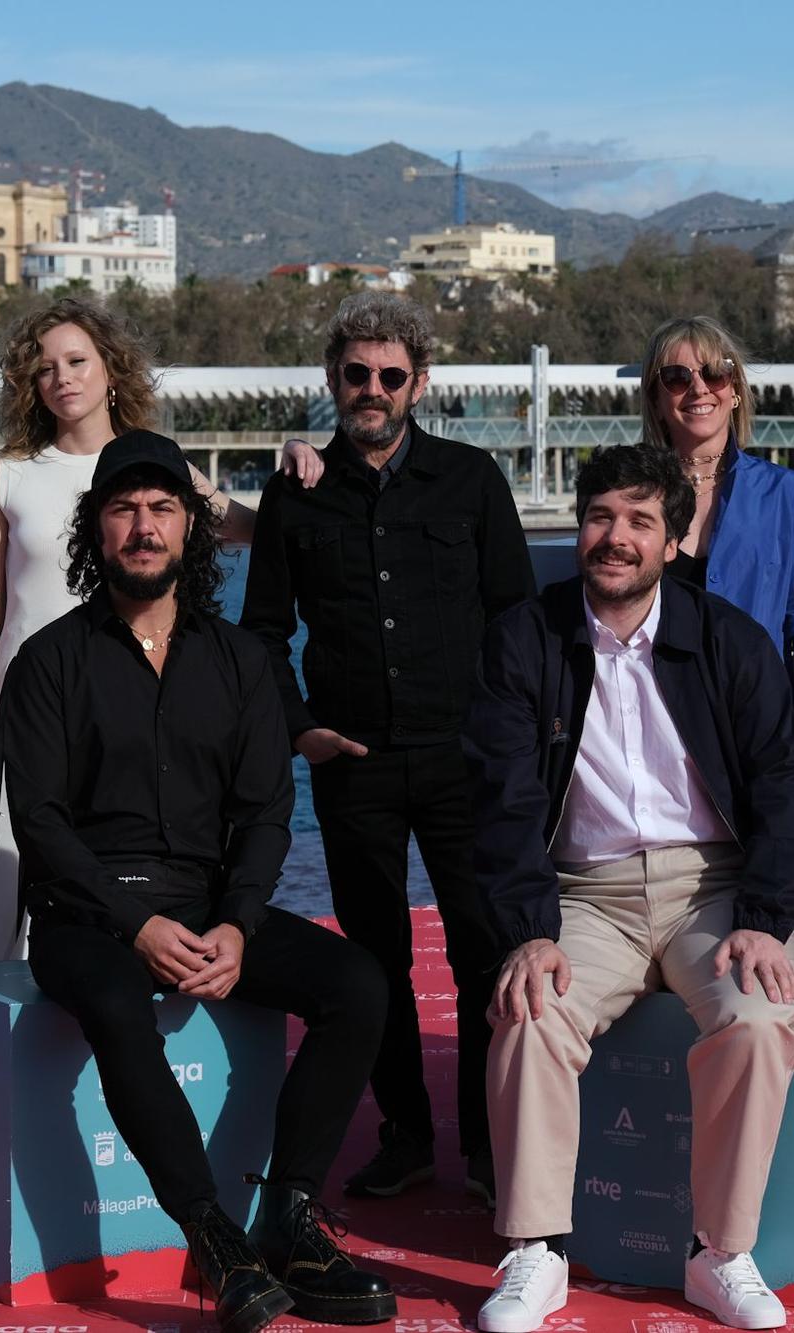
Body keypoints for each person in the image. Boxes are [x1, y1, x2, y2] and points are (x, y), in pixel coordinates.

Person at [0, 431, 394, 1330]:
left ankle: (292, 1212)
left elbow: (263, 814)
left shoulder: (243, 662)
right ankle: (212, 1234)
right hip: (90, 918)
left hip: (212, 908)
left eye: (163, 508)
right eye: (125, 509)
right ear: (96, 529)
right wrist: (134, 925)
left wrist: (241, 925)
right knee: (115, 1003)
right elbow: (44, 826)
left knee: (359, 984)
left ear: (191, 529)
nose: (144, 526)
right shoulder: (49, 663)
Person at [464, 446, 794, 1332]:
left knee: (761, 1014)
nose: (614, 538)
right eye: (599, 518)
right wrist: (528, 928)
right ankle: (536, 1249)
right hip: (586, 893)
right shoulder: (525, 638)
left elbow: (784, 783)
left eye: (638, 521)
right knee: (530, 1007)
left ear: (672, 538)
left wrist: (769, 921)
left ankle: (719, 1253)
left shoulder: (726, 637)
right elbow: (500, 799)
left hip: (716, 886)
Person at [241, 290, 534, 1204]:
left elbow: (516, 619)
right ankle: (406, 1133)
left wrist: (509, 739)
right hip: (352, 765)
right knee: (375, 964)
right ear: (332, 380)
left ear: (420, 382)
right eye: (357, 373)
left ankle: (491, 1147)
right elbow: (261, 634)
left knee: (486, 952)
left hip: (462, 762)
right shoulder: (293, 492)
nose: (373, 388)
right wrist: (299, 731)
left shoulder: (472, 478)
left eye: (391, 375)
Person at [0, 297, 320, 959]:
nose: (61, 378)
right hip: (30, 719)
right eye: (44, 369)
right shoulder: (5, 475)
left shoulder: (157, 468)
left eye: (76, 361)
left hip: (121, 714)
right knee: (14, 899)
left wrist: (299, 464)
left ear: (111, 370)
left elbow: (252, 526)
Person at [637, 316, 794, 778]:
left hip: (757, 733)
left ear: (736, 389)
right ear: (657, 399)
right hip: (648, 731)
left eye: (715, 372)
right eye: (677, 377)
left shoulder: (788, 495)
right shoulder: (630, 493)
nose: (699, 388)